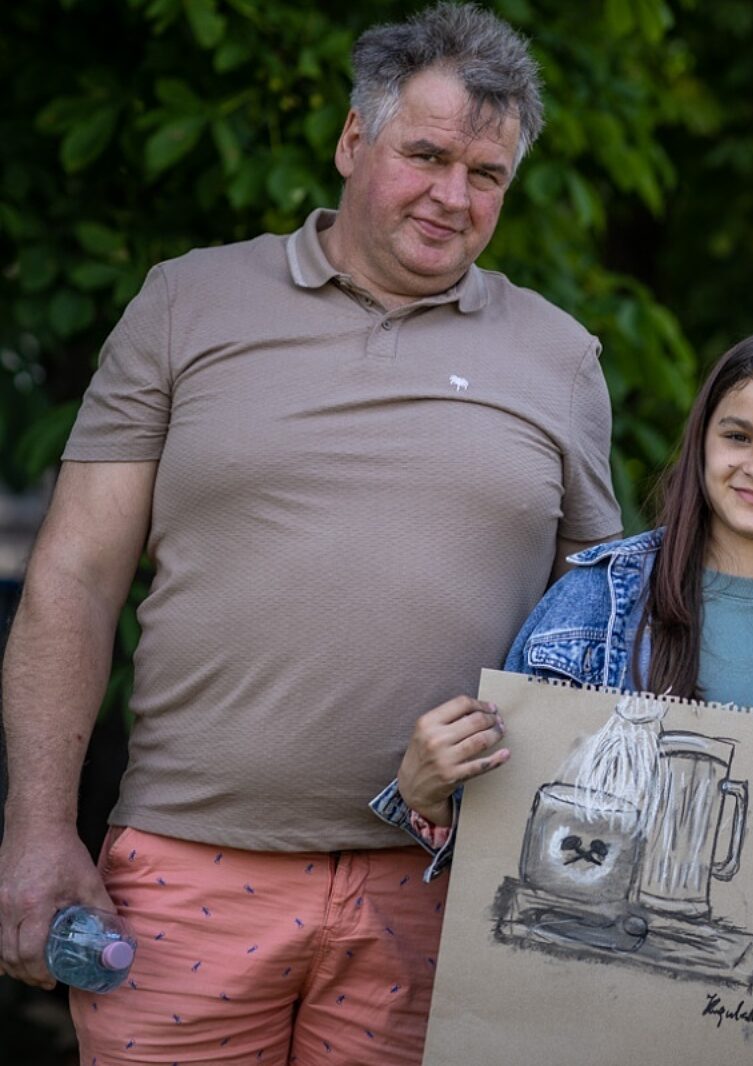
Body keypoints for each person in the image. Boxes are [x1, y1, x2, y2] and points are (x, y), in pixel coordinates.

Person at [0, 5, 620, 1063]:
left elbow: (598, 629)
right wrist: (39, 826)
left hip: (448, 884)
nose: (453, 197)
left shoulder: (560, 357)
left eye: (486, 176)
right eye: (426, 155)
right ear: (351, 139)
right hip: (188, 868)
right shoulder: (188, 302)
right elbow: (74, 578)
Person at [374, 325, 753, 952]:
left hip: (750, 1002)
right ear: (701, 443)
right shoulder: (595, 599)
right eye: (738, 436)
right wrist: (429, 798)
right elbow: (504, 850)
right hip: (568, 980)